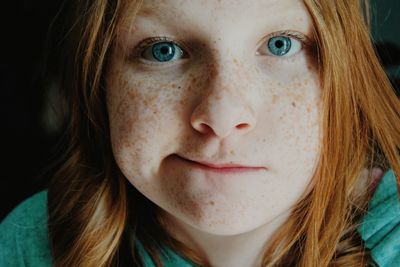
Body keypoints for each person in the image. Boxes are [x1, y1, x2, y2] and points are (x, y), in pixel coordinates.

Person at [1, 0, 399, 266]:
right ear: (100, 81)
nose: (222, 117)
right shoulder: (31, 243)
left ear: (346, 75)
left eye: (280, 45)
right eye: (163, 50)